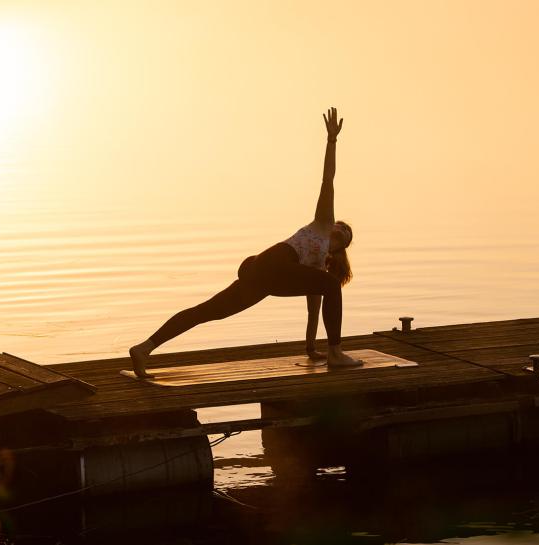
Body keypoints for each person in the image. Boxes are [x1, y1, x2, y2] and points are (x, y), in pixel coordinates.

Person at [129, 107, 363, 379]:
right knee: (329, 286)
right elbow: (328, 180)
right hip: (273, 262)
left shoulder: (317, 274)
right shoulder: (321, 224)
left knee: (211, 311)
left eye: (344, 236)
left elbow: (314, 314)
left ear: (338, 250)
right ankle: (337, 355)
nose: (340, 230)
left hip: (267, 278)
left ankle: (144, 348)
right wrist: (331, 141)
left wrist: (311, 349)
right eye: (341, 226)